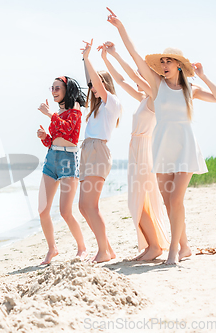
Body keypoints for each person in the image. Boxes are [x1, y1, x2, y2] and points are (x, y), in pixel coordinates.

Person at [106, 8, 216, 264]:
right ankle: (185, 247)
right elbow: (135, 56)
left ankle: (173, 250)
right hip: (161, 146)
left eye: (168, 61)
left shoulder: (191, 90)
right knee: (168, 201)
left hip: (185, 146)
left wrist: (203, 76)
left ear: (180, 66)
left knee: (177, 198)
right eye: (162, 62)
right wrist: (120, 27)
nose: (163, 65)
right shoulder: (156, 86)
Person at [98, 41, 170, 260]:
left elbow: (132, 75)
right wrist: (105, 59)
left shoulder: (156, 98)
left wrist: (118, 54)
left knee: (137, 199)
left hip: (145, 149)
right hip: (136, 149)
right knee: (139, 199)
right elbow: (120, 80)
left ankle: (155, 246)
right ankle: (151, 245)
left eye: (143, 75)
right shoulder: (144, 99)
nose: (138, 78)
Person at [36, 76, 88, 265]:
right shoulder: (59, 111)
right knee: (42, 210)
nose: (54, 91)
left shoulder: (75, 109)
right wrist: (44, 137)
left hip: (68, 160)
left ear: (67, 89)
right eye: (52, 88)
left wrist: (50, 115)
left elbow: (68, 130)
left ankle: (82, 248)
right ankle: (52, 249)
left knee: (65, 211)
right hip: (51, 158)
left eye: (57, 88)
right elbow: (55, 139)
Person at [80, 39, 123, 263]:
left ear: (104, 84)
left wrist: (89, 58)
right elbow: (92, 81)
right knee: (82, 206)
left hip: (98, 151)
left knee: (91, 205)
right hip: (88, 150)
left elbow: (97, 81)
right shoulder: (96, 109)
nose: (92, 87)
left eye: (95, 84)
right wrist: (84, 60)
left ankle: (103, 251)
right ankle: (107, 248)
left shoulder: (112, 103)